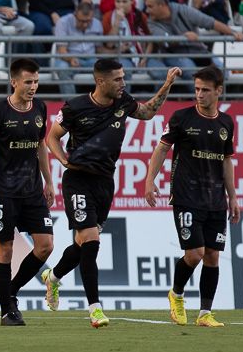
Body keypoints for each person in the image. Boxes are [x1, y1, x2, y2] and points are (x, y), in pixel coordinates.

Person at [43, 60, 181, 328]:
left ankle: (53, 277)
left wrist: (167, 84)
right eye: (117, 79)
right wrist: (62, 161)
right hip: (78, 180)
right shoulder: (75, 107)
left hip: (105, 182)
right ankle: (95, 309)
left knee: (83, 245)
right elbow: (52, 137)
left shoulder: (122, 102)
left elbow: (148, 112)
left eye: (123, 78)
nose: (123, 83)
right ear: (101, 82)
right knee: (91, 241)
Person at [144, 65, 238, 328]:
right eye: (196, 89)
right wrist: (150, 180)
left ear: (218, 91)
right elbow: (162, 149)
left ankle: (205, 313)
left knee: (212, 256)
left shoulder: (226, 123)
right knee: (195, 253)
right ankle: (176, 294)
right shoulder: (181, 118)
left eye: (205, 90)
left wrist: (233, 196)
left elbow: (227, 161)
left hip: (215, 200)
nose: (199, 94)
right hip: (187, 196)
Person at [0, 57, 55, 325]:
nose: (33, 87)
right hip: (3, 193)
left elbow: (41, 146)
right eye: (28, 82)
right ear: (14, 82)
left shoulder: (40, 108)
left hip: (32, 191)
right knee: (5, 250)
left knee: (45, 246)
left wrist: (49, 181)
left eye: (36, 81)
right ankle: (7, 309)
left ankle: (11, 291)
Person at [142, 0, 239, 75]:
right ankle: (196, 96)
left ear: (162, 5)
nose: (147, 10)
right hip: (174, 54)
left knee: (222, 72)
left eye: (150, 7)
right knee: (190, 70)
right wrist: (184, 37)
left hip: (199, 51)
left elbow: (210, 22)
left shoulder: (183, 9)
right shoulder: (151, 22)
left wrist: (233, 32)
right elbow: (165, 41)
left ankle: (219, 96)